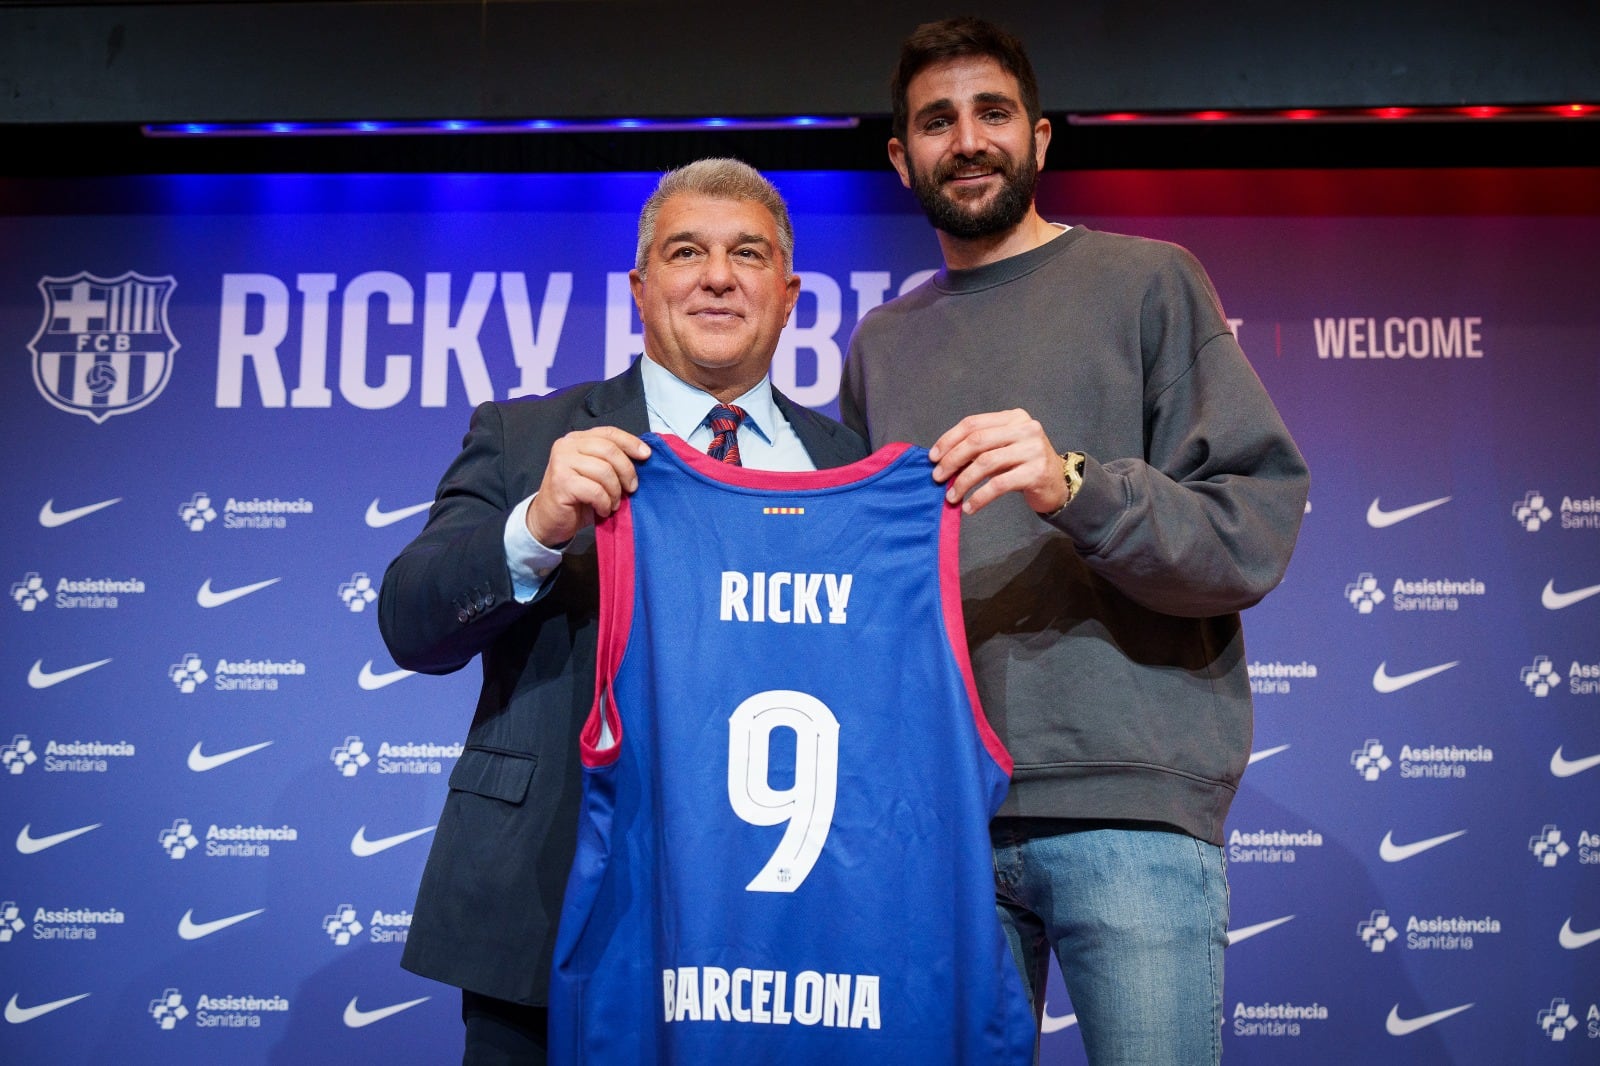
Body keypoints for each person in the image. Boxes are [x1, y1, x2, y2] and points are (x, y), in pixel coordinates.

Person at [841, 17, 1310, 1066]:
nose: (966, 140)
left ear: (1040, 138)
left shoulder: (1149, 282)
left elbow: (1251, 527)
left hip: (1129, 818)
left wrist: (1073, 485)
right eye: (936, 121)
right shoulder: (881, 345)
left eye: (992, 113)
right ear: (900, 156)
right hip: (945, 828)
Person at [379, 157, 868, 1064]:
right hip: (547, 908)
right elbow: (411, 621)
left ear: (789, 292)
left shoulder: (854, 466)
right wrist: (535, 526)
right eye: (687, 251)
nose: (718, 276)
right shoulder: (529, 436)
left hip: (782, 939)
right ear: (642, 289)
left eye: (747, 254)